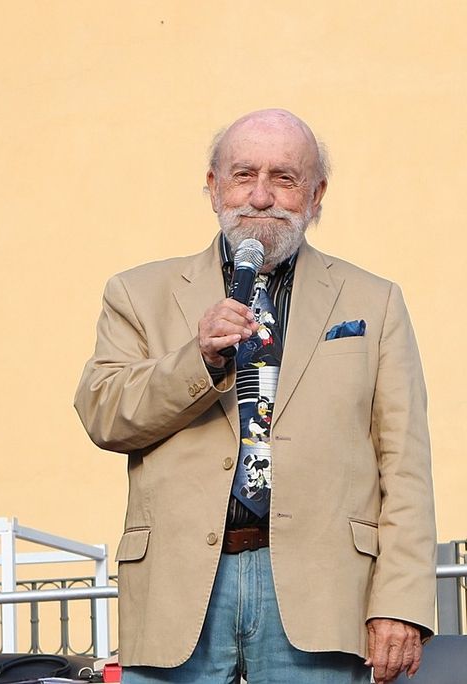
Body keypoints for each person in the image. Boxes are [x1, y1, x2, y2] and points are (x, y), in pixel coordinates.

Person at [74, 109, 435, 684]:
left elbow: (405, 463)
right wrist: (198, 359)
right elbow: (103, 414)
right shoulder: (138, 293)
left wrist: (400, 601)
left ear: (316, 195)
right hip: (179, 588)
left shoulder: (375, 300)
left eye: (284, 178)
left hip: (321, 588)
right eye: (244, 175)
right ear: (213, 186)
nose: (261, 196)